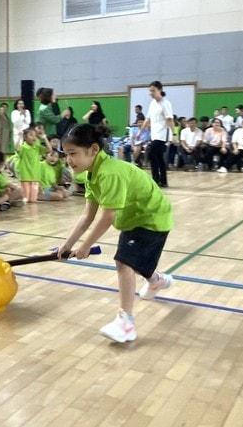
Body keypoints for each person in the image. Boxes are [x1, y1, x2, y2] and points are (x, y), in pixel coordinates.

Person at [58, 123, 174, 344]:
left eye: (73, 154)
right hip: (132, 218)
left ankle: (126, 323)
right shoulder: (91, 174)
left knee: (124, 263)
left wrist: (84, 247)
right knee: (135, 262)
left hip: (151, 217)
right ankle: (156, 280)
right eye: (66, 155)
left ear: (93, 150)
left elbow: (107, 216)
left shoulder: (110, 173)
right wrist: (67, 245)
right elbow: (87, 216)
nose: (69, 160)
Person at [18, 126, 45, 202]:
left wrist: (44, 137)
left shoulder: (37, 147)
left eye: (35, 135)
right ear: (25, 137)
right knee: (26, 199)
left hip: (35, 177)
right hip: (25, 177)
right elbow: (17, 149)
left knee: (33, 200)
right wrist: (20, 137)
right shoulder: (23, 147)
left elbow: (49, 150)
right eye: (31, 135)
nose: (34, 137)